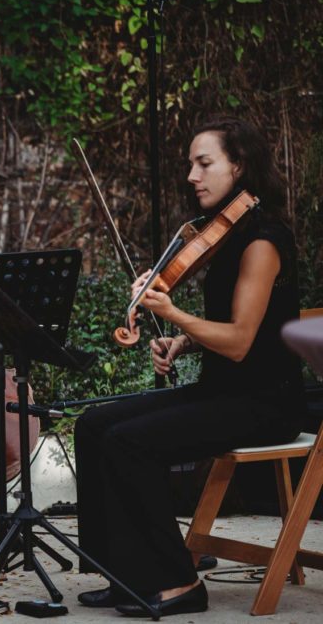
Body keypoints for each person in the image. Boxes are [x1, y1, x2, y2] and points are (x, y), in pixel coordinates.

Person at [75, 117, 304, 617]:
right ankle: (124, 574)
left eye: (205, 164)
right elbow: (237, 329)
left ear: (239, 166)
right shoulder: (224, 235)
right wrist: (182, 341)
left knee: (128, 442)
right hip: (222, 389)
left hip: (265, 401)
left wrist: (173, 313)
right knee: (92, 424)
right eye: (190, 165)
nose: (192, 176)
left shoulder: (263, 241)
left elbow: (243, 342)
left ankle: (179, 582)